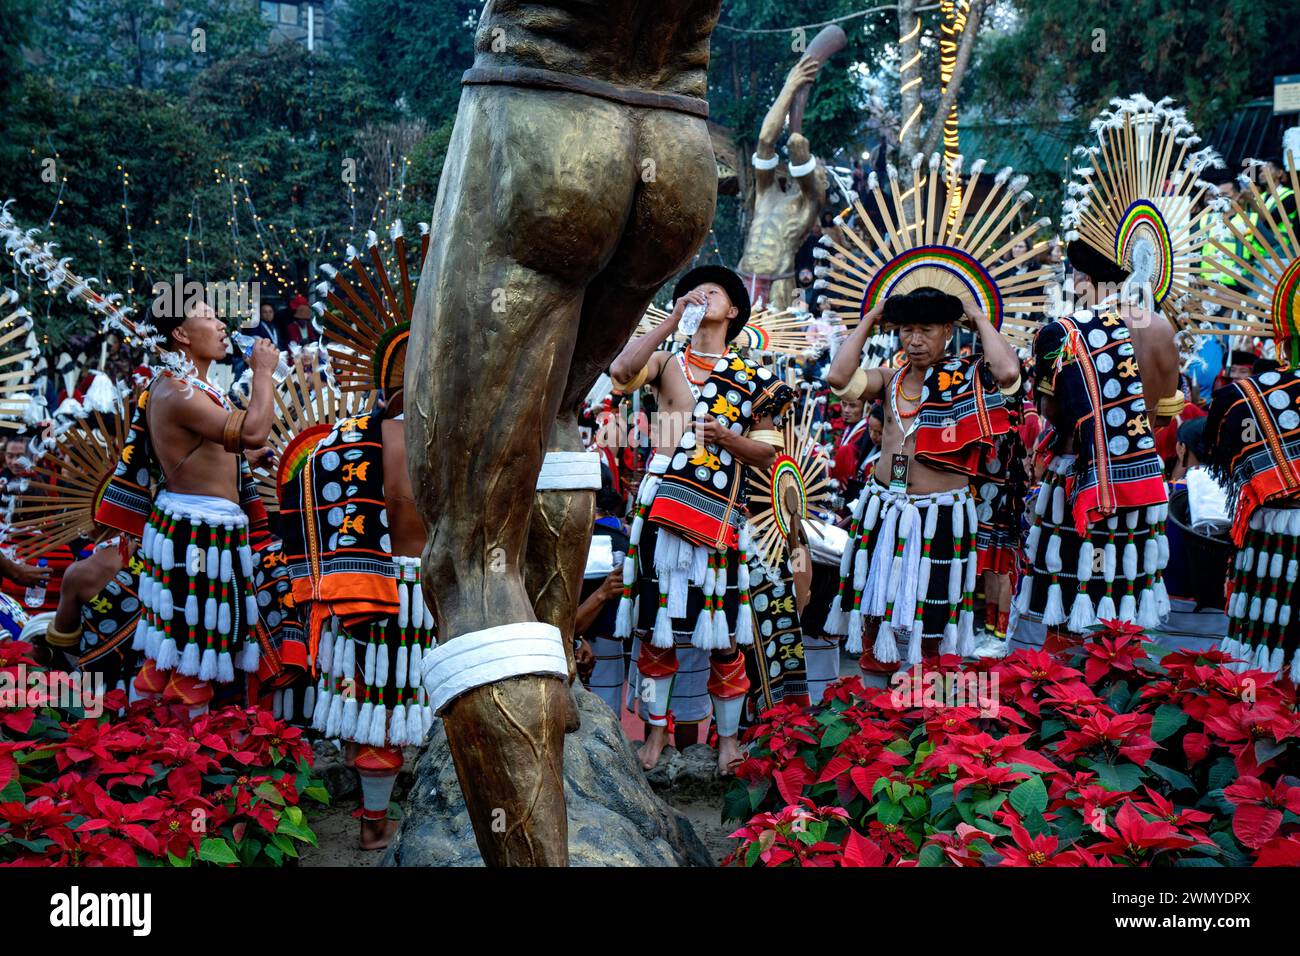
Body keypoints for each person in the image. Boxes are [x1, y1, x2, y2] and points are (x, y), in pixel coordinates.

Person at [609, 264, 794, 773]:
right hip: (659, 507)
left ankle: (729, 739)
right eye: (694, 291)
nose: (701, 295)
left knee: (725, 634)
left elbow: (770, 454)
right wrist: (672, 321)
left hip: (720, 516)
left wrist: (730, 441)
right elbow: (621, 371)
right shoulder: (667, 362)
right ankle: (655, 736)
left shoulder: (755, 378)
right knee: (653, 628)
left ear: (733, 310)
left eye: (712, 292)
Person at [94, 299, 279, 712]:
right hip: (199, 536)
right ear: (180, 334)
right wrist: (264, 372)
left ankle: (141, 748)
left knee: (171, 654)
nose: (221, 325)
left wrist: (241, 461)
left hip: (195, 528)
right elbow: (252, 430)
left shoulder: (186, 385)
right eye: (209, 317)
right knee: (195, 652)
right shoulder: (180, 390)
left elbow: (205, 450)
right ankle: (181, 760)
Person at [823, 287, 1021, 671]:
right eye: (906, 330)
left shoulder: (970, 378)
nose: (914, 341)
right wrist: (870, 318)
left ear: (948, 330)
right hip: (884, 508)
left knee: (933, 616)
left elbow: (1009, 372)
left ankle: (931, 718)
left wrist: (977, 317)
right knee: (874, 609)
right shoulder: (888, 379)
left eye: (926, 330)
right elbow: (838, 377)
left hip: (941, 515)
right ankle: (873, 717)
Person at [1014, 240, 1180, 646]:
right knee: (1124, 595)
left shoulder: (1066, 334)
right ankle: (1121, 690)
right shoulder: (1162, 329)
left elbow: (1051, 412)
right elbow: (1166, 413)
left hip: (1080, 485)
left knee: (1070, 597)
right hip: (1143, 486)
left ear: (1083, 279)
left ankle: (1064, 699)